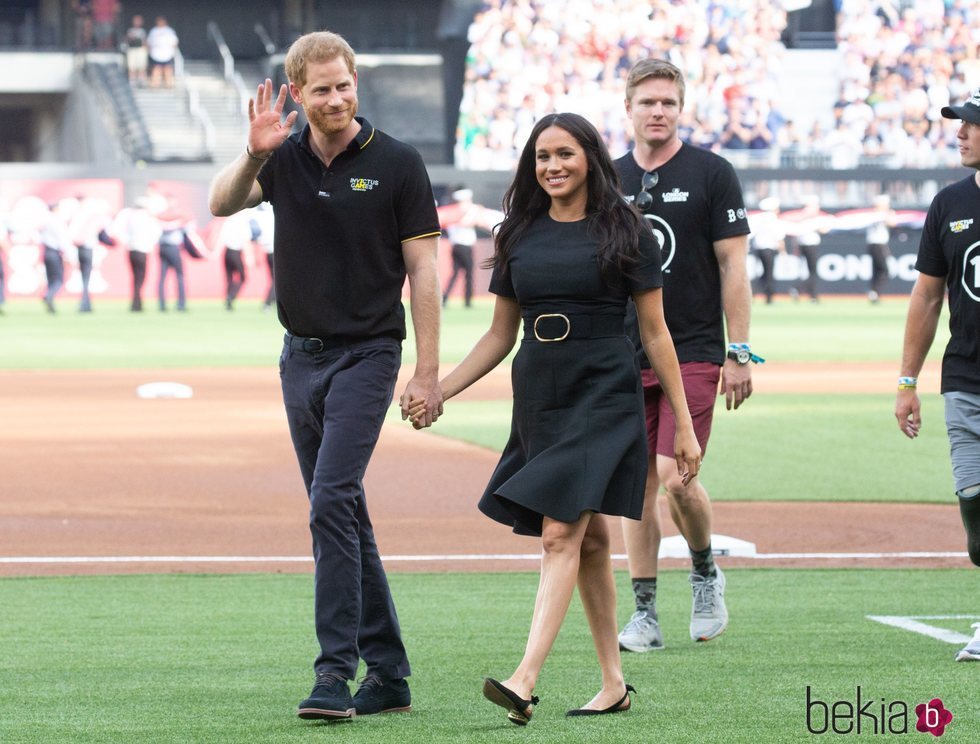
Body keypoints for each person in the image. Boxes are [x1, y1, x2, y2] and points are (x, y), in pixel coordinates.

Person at [410, 112, 701, 724]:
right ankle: (613, 684)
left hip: (604, 390)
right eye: (542, 157)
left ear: (590, 157)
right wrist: (440, 390)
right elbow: (498, 336)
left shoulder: (628, 231)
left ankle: (524, 679)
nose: (553, 166)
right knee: (589, 540)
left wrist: (685, 425)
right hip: (541, 391)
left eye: (564, 154)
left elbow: (656, 334)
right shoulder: (518, 233)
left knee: (558, 533)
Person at [207, 30, 442, 721]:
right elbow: (221, 204)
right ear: (298, 94)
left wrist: (428, 373)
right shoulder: (279, 160)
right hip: (299, 360)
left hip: (368, 354)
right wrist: (252, 152)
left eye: (344, 85)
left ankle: (334, 675)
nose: (336, 98)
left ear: (355, 84)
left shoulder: (397, 162)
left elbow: (424, 271)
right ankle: (391, 674)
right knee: (343, 512)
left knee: (328, 501)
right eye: (321, 89)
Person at [614, 58, 755, 653]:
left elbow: (733, 265)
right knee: (634, 485)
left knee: (677, 478)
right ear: (629, 108)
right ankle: (644, 612)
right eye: (648, 102)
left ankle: (703, 573)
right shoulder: (606, 176)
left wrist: (739, 350)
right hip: (622, 351)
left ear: (681, 107)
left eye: (668, 102)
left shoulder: (712, 172)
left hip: (694, 347)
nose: (658, 112)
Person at [895, 88, 980, 663]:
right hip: (966, 381)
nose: (960, 133)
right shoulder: (948, 203)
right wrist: (907, 382)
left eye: (971, 124)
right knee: (975, 507)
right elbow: (926, 297)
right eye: (959, 124)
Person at [112, 196, 160, 312]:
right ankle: (137, 303)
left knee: (135, 277)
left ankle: (136, 302)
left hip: (132, 249)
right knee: (140, 277)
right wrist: (149, 244)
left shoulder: (129, 215)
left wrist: (127, 241)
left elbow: (115, 230)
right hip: (142, 250)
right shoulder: (148, 217)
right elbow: (157, 232)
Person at [785, 194, 830, 303]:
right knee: (813, 271)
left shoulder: (801, 216)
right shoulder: (813, 216)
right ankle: (801, 290)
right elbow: (824, 229)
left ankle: (812, 295)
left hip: (803, 244)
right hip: (810, 245)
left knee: (810, 271)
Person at [441, 188, 478, 308]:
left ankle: (445, 298)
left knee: (455, 273)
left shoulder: (451, 213)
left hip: (456, 246)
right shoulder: (462, 212)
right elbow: (468, 222)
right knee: (468, 274)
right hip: (464, 246)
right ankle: (468, 301)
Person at [750, 196, 785, 305]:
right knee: (769, 273)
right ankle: (769, 298)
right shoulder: (772, 218)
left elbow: (751, 234)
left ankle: (752, 293)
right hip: (769, 249)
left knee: (764, 273)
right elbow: (778, 236)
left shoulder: (758, 218)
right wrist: (783, 251)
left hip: (758, 248)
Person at [216, 210, 254, 311]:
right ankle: (230, 297)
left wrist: (215, 253)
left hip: (227, 252)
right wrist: (249, 257)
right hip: (236, 252)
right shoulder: (243, 222)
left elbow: (221, 239)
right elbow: (246, 241)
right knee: (242, 277)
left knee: (229, 278)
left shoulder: (228, 221)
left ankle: (228, 298)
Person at [866, 194, 895, 303]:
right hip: (878, 244)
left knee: (877, 269)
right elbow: (892, 222)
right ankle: (874, 291)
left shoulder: (873, 214)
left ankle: (873, 292)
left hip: (873, 244)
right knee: (884, 270)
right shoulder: (879, 215)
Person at [146, 16, 178, 89]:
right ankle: (155, 84)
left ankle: (169, 84)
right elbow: (149, 42)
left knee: (168, 69)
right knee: (156, 68)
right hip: (156, 54)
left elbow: (174, 42)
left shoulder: (169, 31)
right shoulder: (153, 31)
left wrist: (172, 52)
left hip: (167, 54)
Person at [124, 15, 148, 87]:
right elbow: (127, 40)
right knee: (132, 66)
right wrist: (130, 37)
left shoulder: (143, 31)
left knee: (142, 66)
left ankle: (142, 81)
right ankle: (132, 81)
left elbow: (145, 41)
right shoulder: (130, 30)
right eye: (136, 21)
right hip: (132, 50)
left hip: (140, 50)